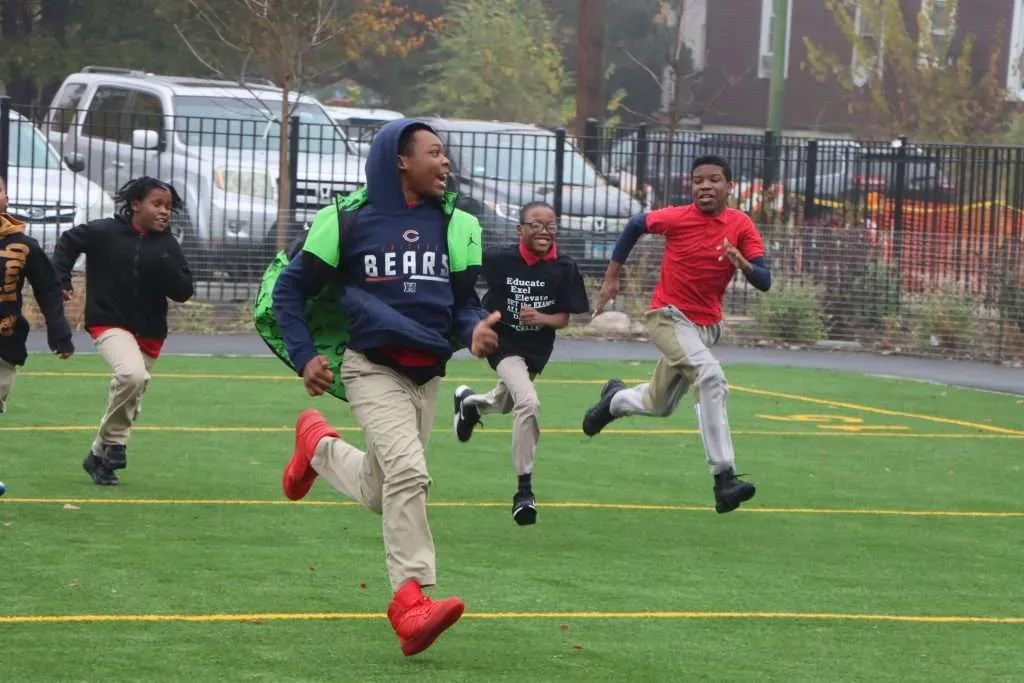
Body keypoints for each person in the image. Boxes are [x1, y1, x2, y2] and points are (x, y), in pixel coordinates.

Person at [257, 119, 499, 657]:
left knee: (380, 488)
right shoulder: (345, 221)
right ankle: (409, 602)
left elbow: (464, 305)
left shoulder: (456, 223)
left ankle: (316, 448)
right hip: (371, 368)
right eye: (435, 153)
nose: (446, 164)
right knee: (410, 472)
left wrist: (475, 330)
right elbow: (289, 291)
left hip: (427, 374)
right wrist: (305, 357)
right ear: (400, 160)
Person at [582, 155, 772, 514]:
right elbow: (636, 224)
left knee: (659, 404)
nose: (704, 186)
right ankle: (724, 478)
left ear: (729, 186)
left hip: (704, 330)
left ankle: (614, 401)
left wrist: (742, 263)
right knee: (710, 377)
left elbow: (764, 280)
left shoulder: (741, 225)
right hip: (667, 318)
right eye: (698, 180)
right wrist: (611, 277)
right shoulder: (677, 217)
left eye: (714, 179)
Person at [451, 201, 589, 526]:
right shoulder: (501, 260)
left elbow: (564, 319)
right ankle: (523, 492)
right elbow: (464, 270)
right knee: (528, 402)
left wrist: (541, 317)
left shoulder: (564, 268)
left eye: (550, 225)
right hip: (503, 342)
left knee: (506, 401)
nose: (544, 232)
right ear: (520, 230)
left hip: (536, 349)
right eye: (536, 225)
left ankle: (471, 405)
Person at [52, 177, 193, 486]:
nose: (164, 212)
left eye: (168, 207)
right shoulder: (104, 232)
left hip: (151, 331)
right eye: (157, 204)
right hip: (108, 321)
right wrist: (61, 278)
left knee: (129, 395)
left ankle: (97, 457)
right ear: (135, 204)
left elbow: (184, 291)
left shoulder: (168, 245)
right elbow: (68, 242)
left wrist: (169, 267)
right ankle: (115, 442)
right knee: (132, 376)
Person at [0, 176, 75, 414]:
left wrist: (58, 331)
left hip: (4, 341)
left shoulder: (23, 246)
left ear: (6, 200)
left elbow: (48, 288)